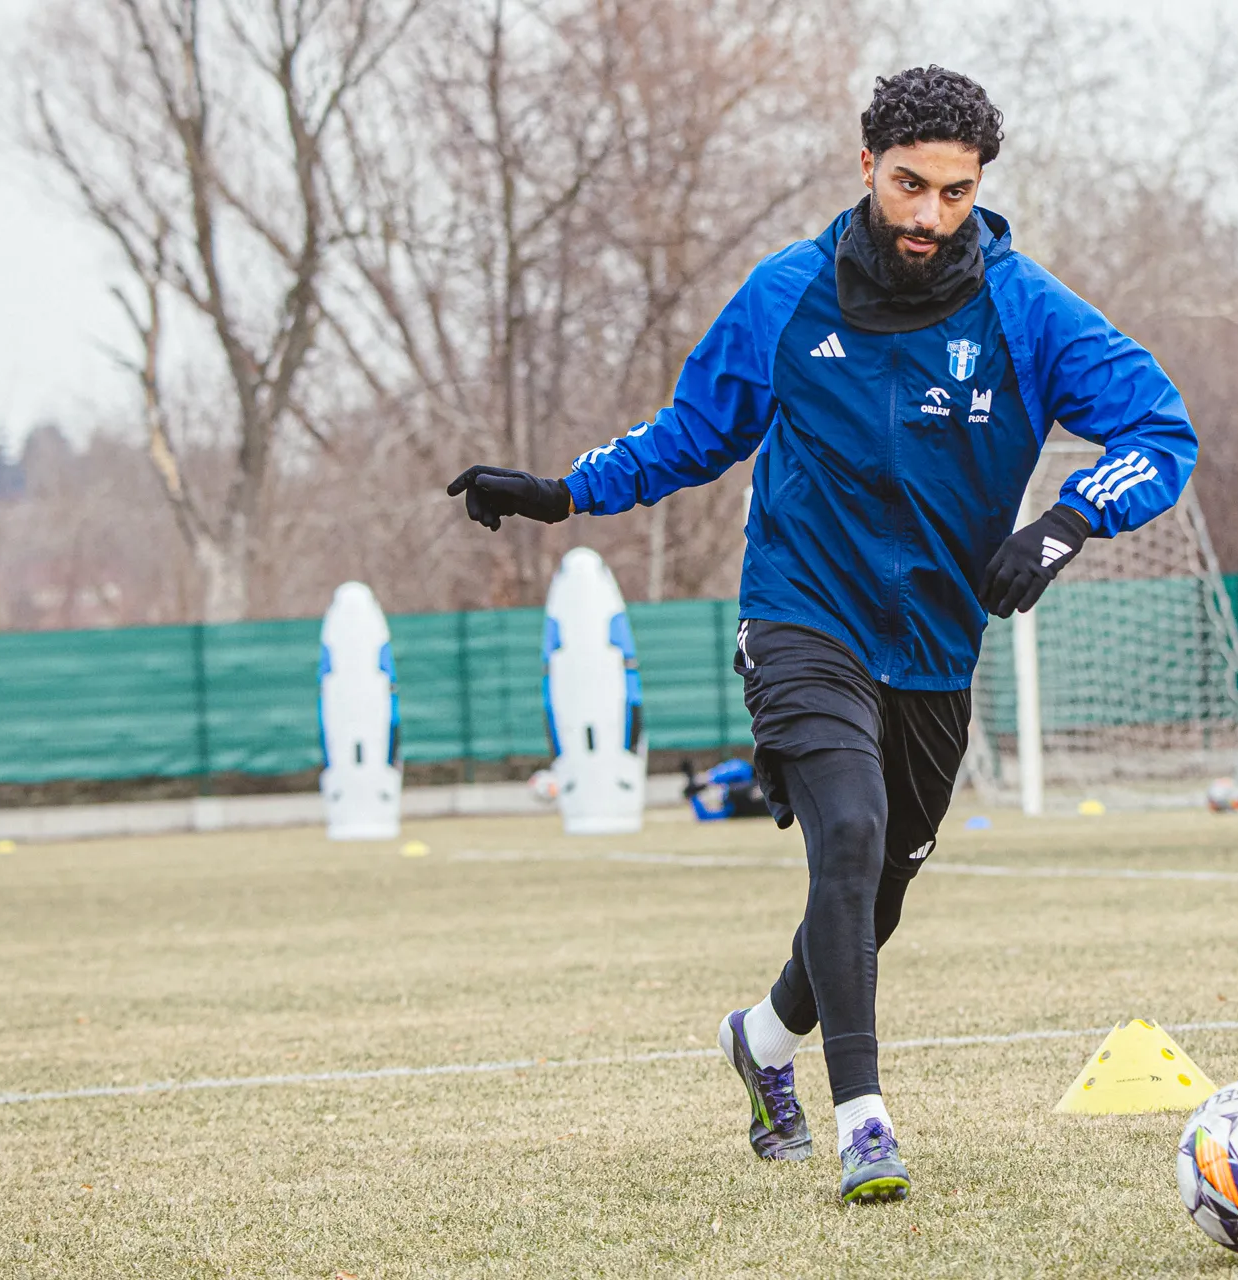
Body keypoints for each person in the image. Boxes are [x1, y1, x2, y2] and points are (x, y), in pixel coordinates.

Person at [446, 66, 1195, 1200]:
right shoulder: (787, 294)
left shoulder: (1026, 309)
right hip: (803, 613)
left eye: (955, 192)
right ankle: (865, 1122)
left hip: (935, 645)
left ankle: (760, 1037)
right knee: (847, 829)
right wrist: (561, 494)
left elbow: (1160, 427)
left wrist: (1066, 522)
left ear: (979, 187)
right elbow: (691, 434)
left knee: (878, 890)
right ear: (866, 168)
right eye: (909, 185)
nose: (930, 214)